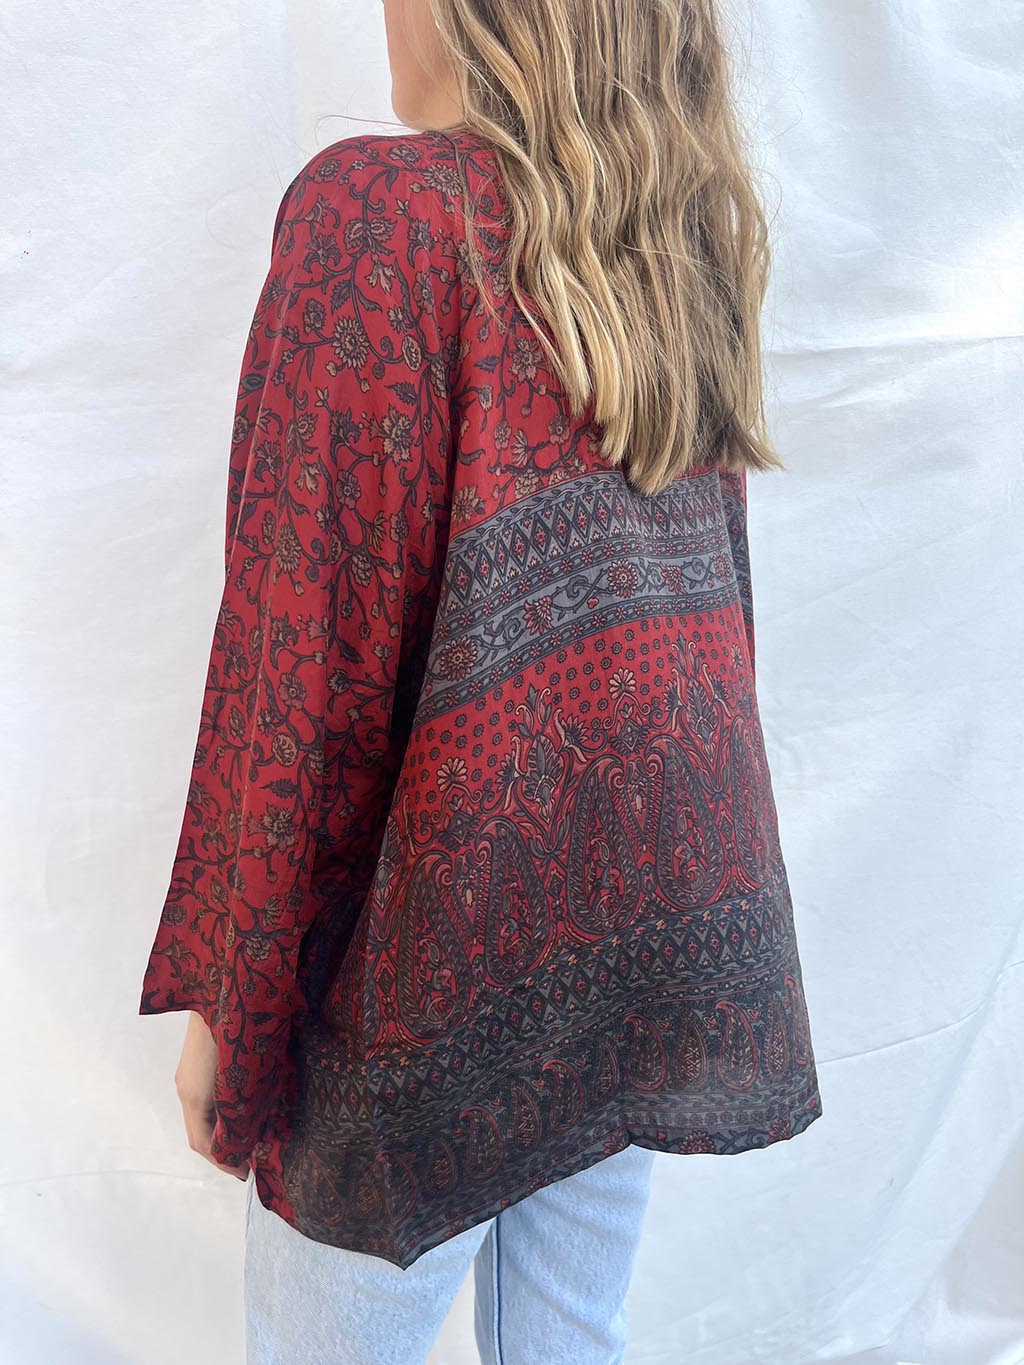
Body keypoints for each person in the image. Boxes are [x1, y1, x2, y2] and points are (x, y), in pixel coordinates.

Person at [138, 1, 824, 1360]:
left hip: (439, 950)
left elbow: (300, 657)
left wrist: (237, 1001)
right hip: (653, 919)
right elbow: (719, 614)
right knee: (568, 1338)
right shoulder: (661, 236)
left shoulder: (377, 217)